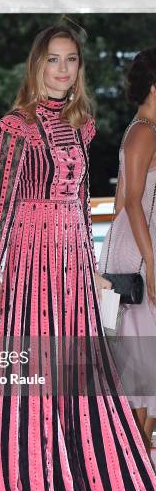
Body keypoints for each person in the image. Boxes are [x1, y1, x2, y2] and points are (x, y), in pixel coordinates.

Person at [0, 26, 156, 491]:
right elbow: (5, 205)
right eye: (52, 60)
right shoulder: (15, 129)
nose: (62, 70)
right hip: (30, 260)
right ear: (35, 66)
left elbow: (83, 201)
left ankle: (80, 485)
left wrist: (89, 263)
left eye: (71, 61)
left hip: (71, 262)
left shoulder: (83, 126)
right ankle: (31, 490)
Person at [99, 48, 156, 459]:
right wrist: (150, 262)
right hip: (140, 253)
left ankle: (136, 465)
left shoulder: (146, 127)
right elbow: (133, 201)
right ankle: (134, 469)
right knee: (142, 362)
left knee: (144, 361)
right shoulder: (144, 130)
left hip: (139, 248)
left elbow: (122, 199)